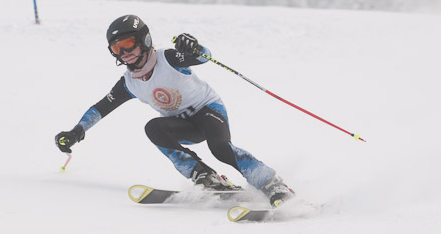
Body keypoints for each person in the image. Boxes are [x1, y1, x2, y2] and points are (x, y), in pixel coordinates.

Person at [55, 15, 294, 207]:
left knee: (220, 147)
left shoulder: (168, 58)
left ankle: (273, 183)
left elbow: (204, 57)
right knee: (153, 128)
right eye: (116, 48)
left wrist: (194, 46)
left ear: (144, 40)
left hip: (208, 110)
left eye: (127, 44)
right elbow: (101, 107)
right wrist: (77, 132)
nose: (123, 53)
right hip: (182, 124)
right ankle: (204, 175)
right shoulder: (129, 83)